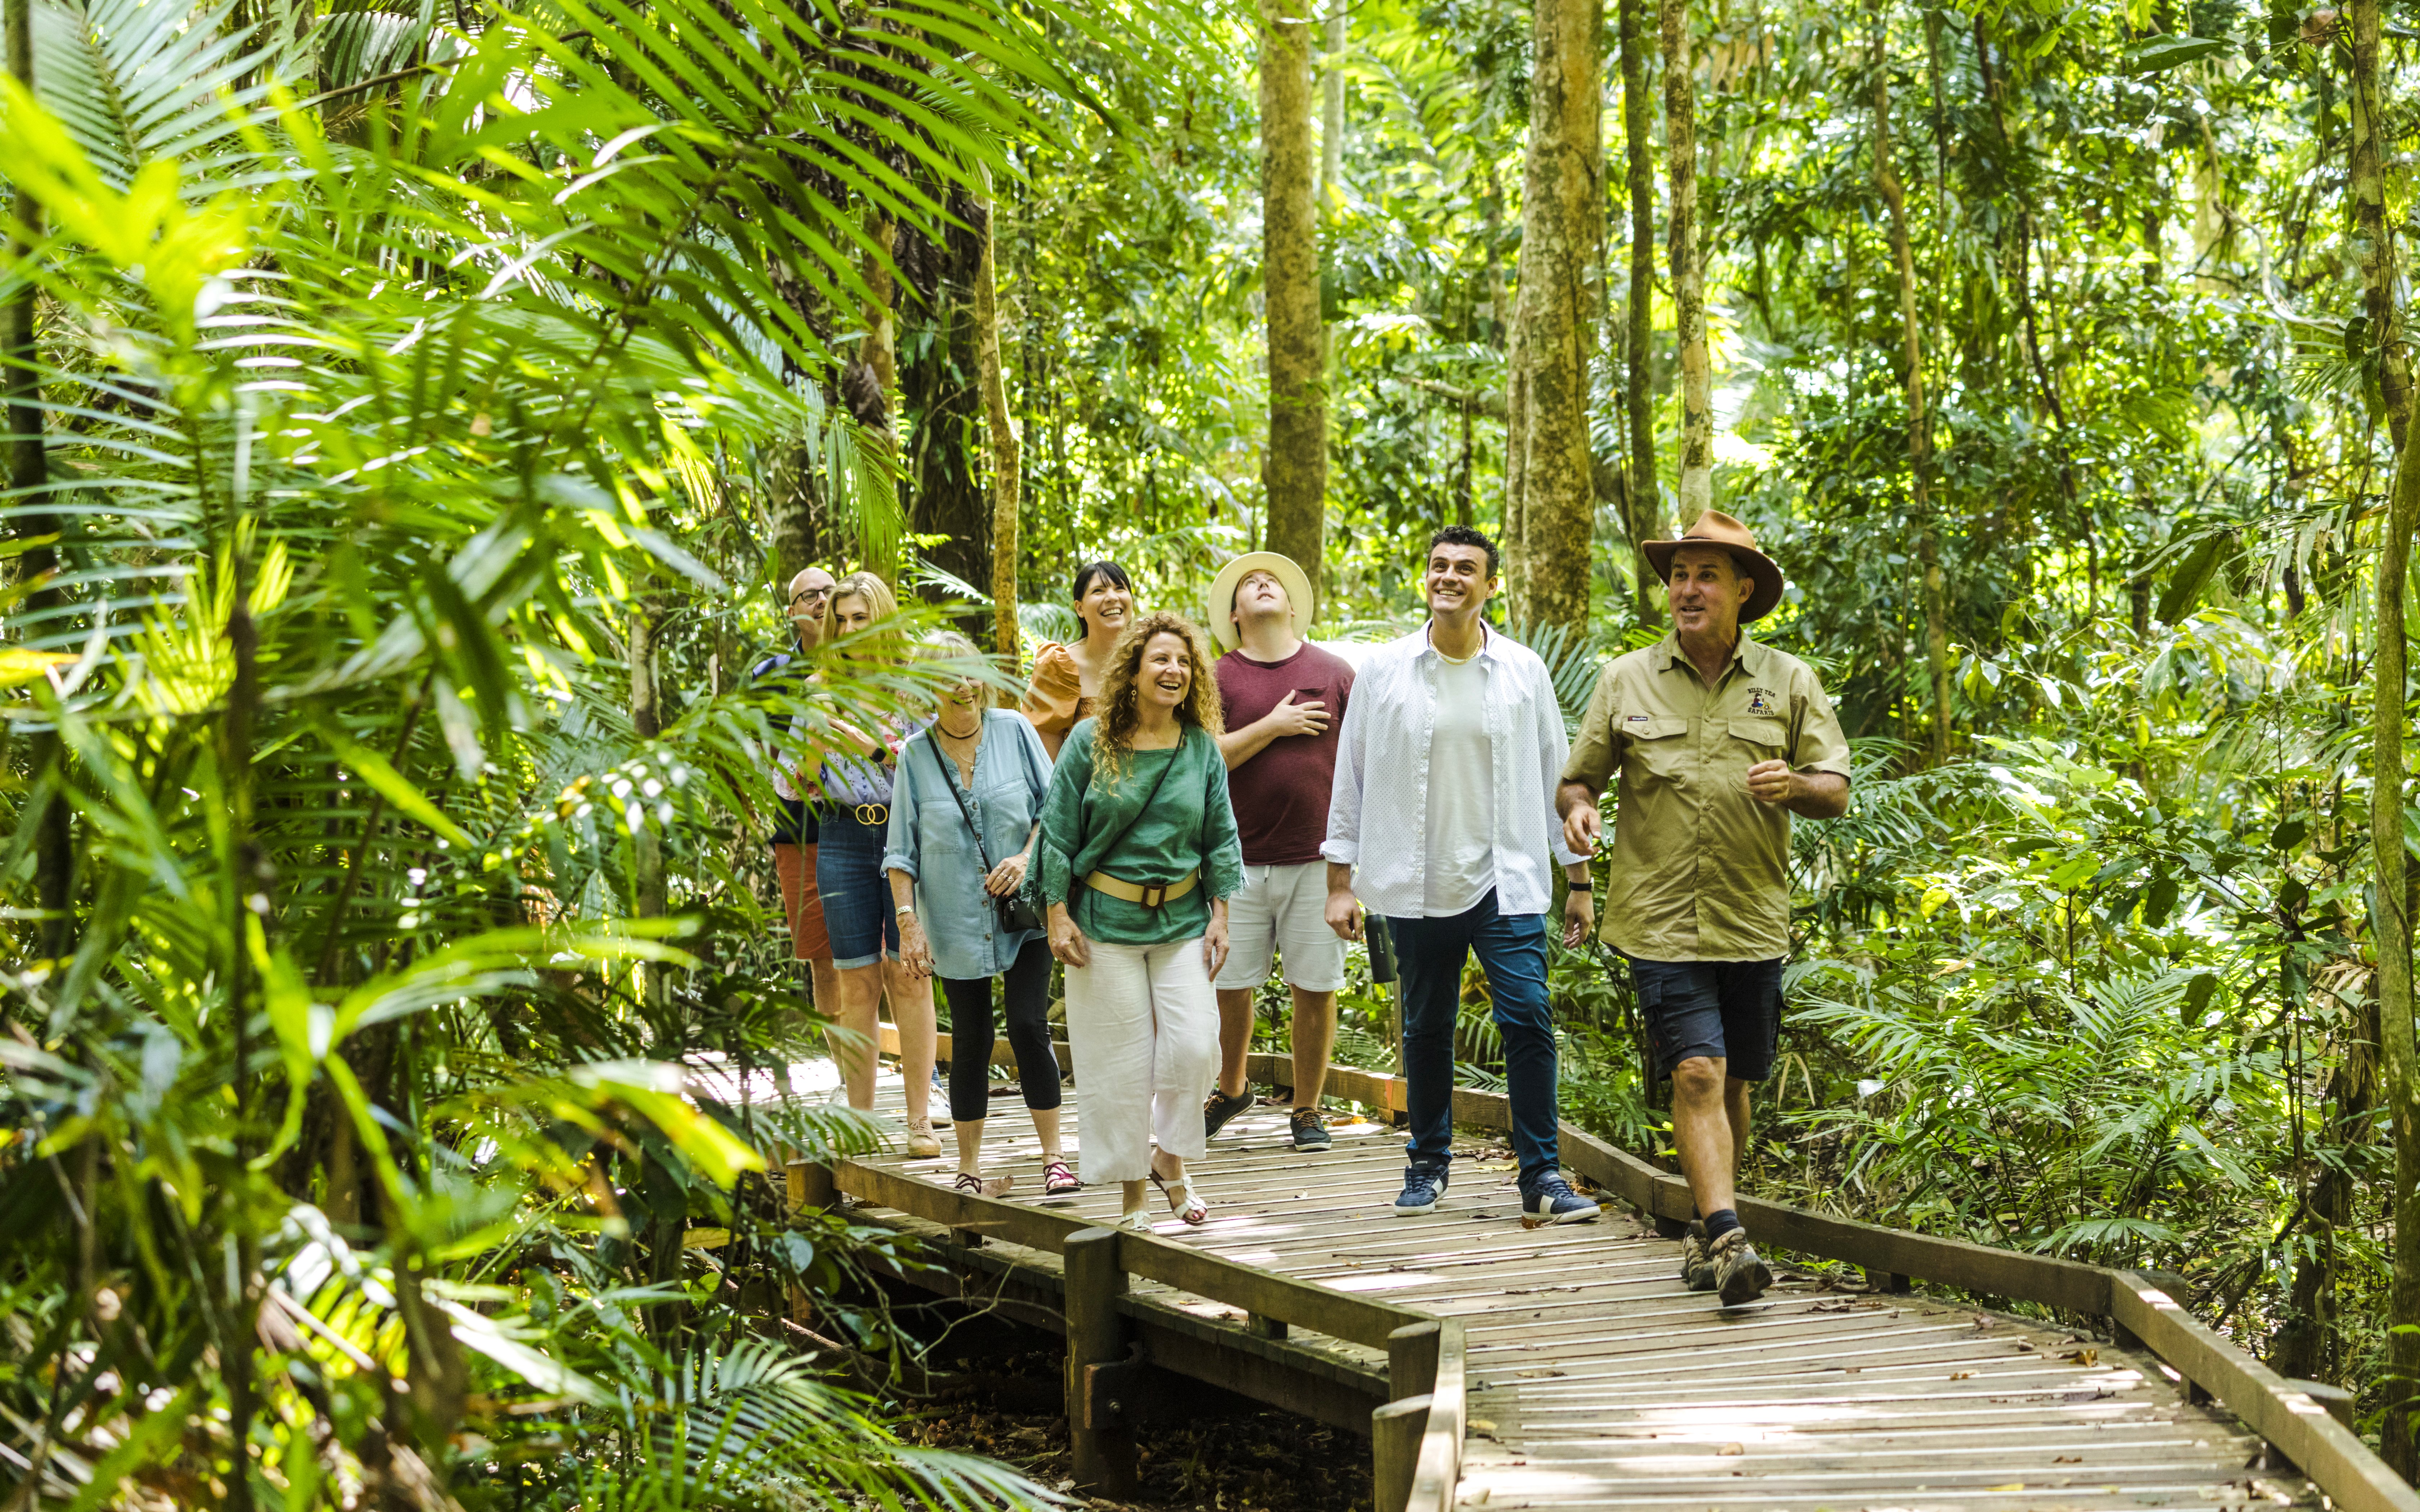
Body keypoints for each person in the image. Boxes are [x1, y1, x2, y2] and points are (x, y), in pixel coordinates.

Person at [1558, 510, 1850, 1305]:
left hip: (1753, 916)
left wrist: (1795, 785)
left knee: (1735, 1085)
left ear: (1743, 590)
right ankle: (1727, 1237)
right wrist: (1579, 810)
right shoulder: (1626, 680)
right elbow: (1578, 778)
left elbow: (1836, 788)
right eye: (1679, 575)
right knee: (1696, 1072)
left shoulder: (1788, 681)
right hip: (1658, 916)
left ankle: (1703, 1228)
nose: (1687, 589)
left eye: (1706, 575)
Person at [1323, 525, 1600, 1228]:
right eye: (1439, 565)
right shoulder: (1384, 670)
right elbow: (1348, 777)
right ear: (1427, 577)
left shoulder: (1522, 671)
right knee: (1427, 1024)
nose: (1449, 577)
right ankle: (1428, 1164)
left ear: (1490, 585)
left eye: (1465, 569)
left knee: (1528, 1016)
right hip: (1415, 882)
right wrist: (1338, 879)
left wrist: (1579, 879)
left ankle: (1540, 1174)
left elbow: (1555, 775)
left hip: (1503, 880)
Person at [1035, 612, 1243, 1229]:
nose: (1173, 670)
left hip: (1181, 921)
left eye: (1183, 662)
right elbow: (1057, 834)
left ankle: (1169, 1158)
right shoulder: (1088, 741)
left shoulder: (1200, 746)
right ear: (1132, 671)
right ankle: (1135, 1197)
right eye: (1160, 659)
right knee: (1119, 1064)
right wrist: (1056, 914)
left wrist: (1222, 915)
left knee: (1195, 1047)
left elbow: (1220, 837)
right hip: (1103, 925)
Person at [885, 632, 1078, 1199]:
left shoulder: (1016, 730)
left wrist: (1025, 858)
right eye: (948, 677)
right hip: (951, 920)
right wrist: (908, 923)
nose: (962, 686)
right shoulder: (915, 757)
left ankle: (1054, 1157)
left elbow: (1054, 812)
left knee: (1026, 1024)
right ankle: (969, 1168)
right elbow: (901, 853)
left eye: (970, 673)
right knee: (970, 1037)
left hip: (1026, 912)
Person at [1201, 551, 1355, 1152]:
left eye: (1273, 583)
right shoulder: (1217, 677)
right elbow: (1203, 756)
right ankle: (1232, 1087)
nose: (1262, 586)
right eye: (1249, 586)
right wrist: (1274, 724)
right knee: (1229, 983)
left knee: (1315, 985)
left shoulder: (1336, 671)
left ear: (1293, 608)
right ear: (1236, 614)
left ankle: (1309, 1108)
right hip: (1235, 858)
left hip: (1318, 859)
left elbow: (1361, 762)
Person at [808, 572, 941, 1156]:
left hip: (903, 835)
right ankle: (859, 1122)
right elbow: (792, 786)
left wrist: (867, 745)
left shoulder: (913, 688)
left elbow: (932, 771)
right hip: (839, 834)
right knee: (855, 983)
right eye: (841, 619)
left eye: (860, 617)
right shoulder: (821, 687)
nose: (849, 628)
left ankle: (920, 1119)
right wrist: (813, 741)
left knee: (908, 975)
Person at [753, 567, 842, 1066]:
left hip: (875, 827)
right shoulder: (772, 678)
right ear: (793, 612)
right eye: (809, 595)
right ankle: (849, 1073)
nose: (822, 601)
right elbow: (774, 757)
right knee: (824, 959)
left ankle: (922, 1073)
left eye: (830, 591)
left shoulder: (875, 666)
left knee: (892, 955)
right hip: (801, 833)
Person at [1021, 560, 1135, 760]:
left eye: (1120, 588)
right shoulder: (1060, 666)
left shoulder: (1151, 660)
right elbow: (1045, 754)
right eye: (1099, 591)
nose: (1112, 597)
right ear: (1080, 608)